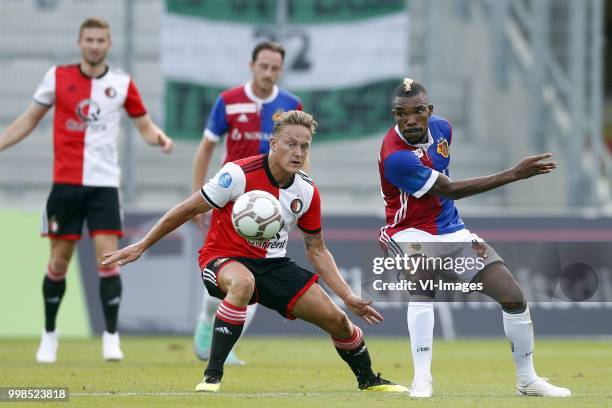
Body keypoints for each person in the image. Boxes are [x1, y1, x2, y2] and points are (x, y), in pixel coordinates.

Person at [103, 110, 407, 393]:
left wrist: (347, 296)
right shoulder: (237, 174)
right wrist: (143, 245)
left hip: (274, 266)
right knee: (243, 283)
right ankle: (212, 376)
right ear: (273, 143)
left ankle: (368, 381)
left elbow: (317, 249)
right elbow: (186, 209)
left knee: (338, 320)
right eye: (291, 144)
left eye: (305, 146)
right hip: (223, 259)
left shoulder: (306, 190)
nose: (298, 152)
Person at [377, 78, 571, 398]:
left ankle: (528, 380)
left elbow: (446, 190)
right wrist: (513, 173)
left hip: (452, 230)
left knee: (513, 296)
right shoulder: (395, 155)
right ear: (394, 115)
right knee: (422, 280)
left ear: (430, 111)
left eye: (418, 111)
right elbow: (449, 189)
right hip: (408, 230)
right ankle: (422, 379)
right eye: (401, 113)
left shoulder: (443, 129)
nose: (410, 119)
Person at [0, 17, 174, 363]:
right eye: (89, 39)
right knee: (58, 262)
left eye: (101, 40)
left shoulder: (122, 83)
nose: (95, 45)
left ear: (109, 44)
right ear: (80, 43)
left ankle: (111, 337)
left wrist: (159, 138)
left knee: (107, 259)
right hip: (65, 185)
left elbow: (144, 125)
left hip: (104, 185)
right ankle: (49, 334)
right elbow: (29, 119)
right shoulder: (57, 76)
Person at [191, 41, 303, 364]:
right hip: (231, 200)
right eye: (263, 66)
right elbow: (206, 148)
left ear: (281, 69)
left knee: (256, 275)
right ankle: (205, 322)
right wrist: (200, 194)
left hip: (272, 203)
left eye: (275, 68)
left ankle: (223, 346)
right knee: (224, 272)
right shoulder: (228, 101)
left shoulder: (291, 104)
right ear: (251, 65)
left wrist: (304, 191)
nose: (268, 73)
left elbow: (300, 152)